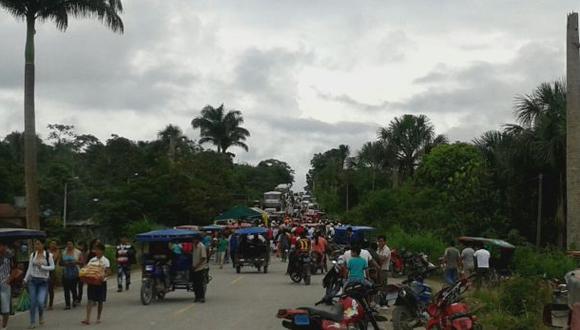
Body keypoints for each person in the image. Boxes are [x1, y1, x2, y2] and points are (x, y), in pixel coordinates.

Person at [24, 239, 55, 329]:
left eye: (38, 244)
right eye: (35, 244)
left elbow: (52, 267)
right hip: (33, 281)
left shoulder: (48, 255)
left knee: (41, 302)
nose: (36, 246)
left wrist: (43, 267)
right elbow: (29, 268)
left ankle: (41, 315)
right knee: (33, 302)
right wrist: (25, 279)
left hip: (43, 282)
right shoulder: (33, 255)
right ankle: (32, 322)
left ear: (43, 245)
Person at [82, 243, 110, 325]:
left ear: (102, 251)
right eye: (95, 250)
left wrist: (103, 275)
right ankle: (87, 318)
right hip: (92, 282)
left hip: (101, 283)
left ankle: (98, 317)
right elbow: (87, 269)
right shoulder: (92, 260)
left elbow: (108, 271)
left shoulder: (105, 260)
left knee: (100, 301)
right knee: (90, 299)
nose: (96, 251)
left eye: (98, 250)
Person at [61, 240, 82, 309]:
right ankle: (67, 304)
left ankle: (74, 300)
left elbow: (82, 262)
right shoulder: (64, 252)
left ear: (73, 244)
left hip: (75, 271)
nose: (69, 245)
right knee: (66, 288)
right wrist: (65, 263)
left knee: (73, 287)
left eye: (70, 244)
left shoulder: (78, 252)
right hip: (66, 271)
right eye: (68, 244)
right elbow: (61, 262)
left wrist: (75, 262)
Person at [0, 241, 14, 330]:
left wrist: (9, 279)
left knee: (5, 306)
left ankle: (4, 326)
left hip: (5, 283)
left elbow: (16, 268)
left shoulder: (10, 256)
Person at [191, 236, 208, 303]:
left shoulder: (201, 246)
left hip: (200, 268)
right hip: (194, 268)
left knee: (200, 284)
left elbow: (203, 258)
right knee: (195, 284)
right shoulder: (194, 246)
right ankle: (197, 297)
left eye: (194, 239)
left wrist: (196, 266)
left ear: (198, 239)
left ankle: (201, 297)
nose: (193, 240)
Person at [47, 240, 60, 310]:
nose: (52, 245)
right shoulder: (46, 251)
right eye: (51, 244)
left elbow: (54, 259)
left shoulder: (56, 252)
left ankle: (50, 304)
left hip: (52, 270)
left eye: (54, 244)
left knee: (50, 287)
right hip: (45, 270)